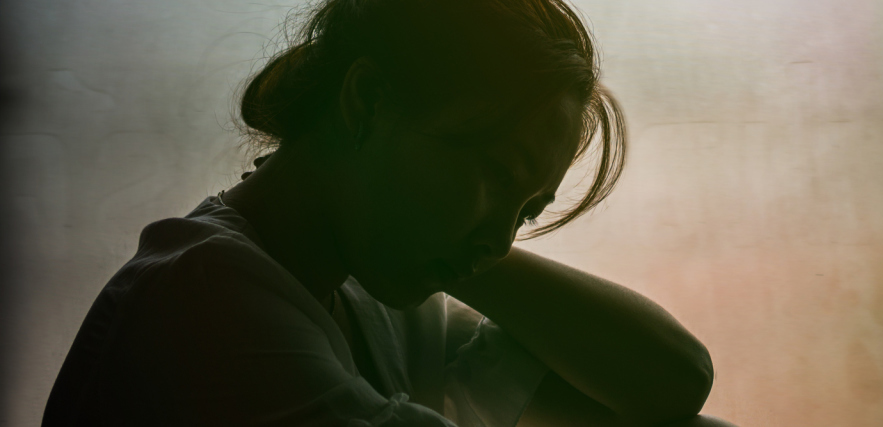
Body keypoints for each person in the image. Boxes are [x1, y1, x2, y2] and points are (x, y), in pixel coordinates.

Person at [41, 0, 736, 426]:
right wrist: (446, 242)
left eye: (528, 209)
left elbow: (670, 381)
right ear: (367, 101)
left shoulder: (370, 290)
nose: (501, 236)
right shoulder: (202, 300)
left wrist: (463, 245)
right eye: (494, 174)